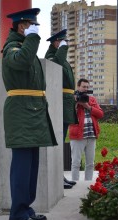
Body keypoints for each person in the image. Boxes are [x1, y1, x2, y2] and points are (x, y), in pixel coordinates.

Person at [2, 8, 57, 220]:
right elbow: (21, 62)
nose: (31, 29)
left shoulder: (26, 48)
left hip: (32, 110)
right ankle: (17, 213)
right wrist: (33, 38)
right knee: (22, 166)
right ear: (17, 26)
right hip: (21, 112)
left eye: (33, 26)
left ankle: (26, 208)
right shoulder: (12, 48)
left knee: (32, 164)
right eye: (27, 26)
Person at [45, 29, 77, 189]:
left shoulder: (61, 57)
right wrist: (62, 49)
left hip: (66, 102)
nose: (66, 45)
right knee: (58, 142)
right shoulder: (52, 57)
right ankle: (58, 177)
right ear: (55, 42)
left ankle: (60, 175)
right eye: (63, 42)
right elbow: (54, 68)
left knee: (61, 140)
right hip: (60, 102)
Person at [69, 79, 104, 181]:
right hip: (77, 136)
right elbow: (68, 115)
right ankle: (75, 183)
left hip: (91, 135)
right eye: (84, 87)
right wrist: (75, 103)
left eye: (87, 87)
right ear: (78, 87)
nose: (86, 89)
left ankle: (88, 184)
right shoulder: (73, 99)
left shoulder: (92, 100)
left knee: (90, 163)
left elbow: (101, 114)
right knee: (76, 162)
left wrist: (88, 106)